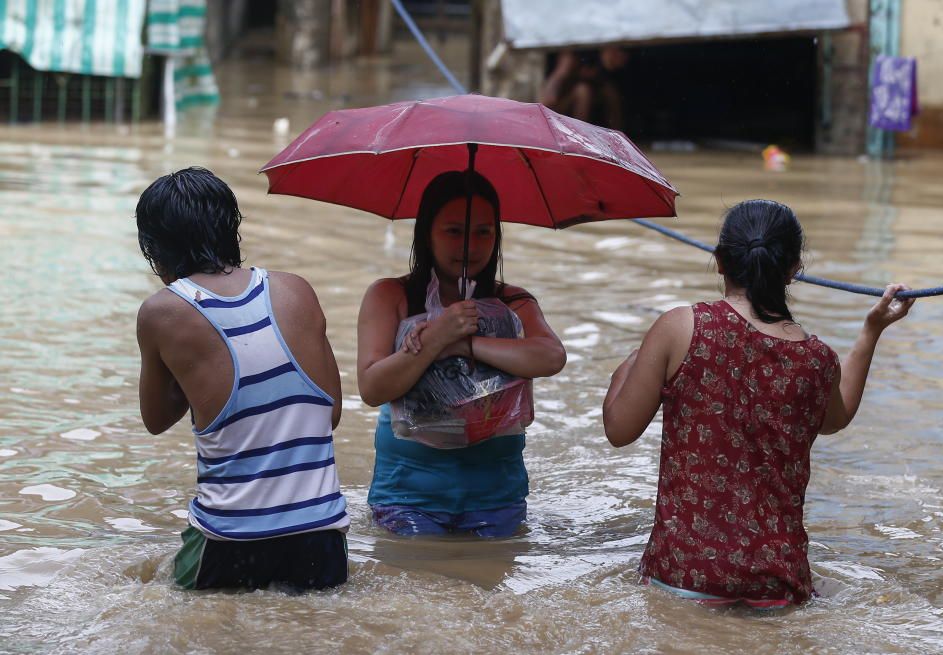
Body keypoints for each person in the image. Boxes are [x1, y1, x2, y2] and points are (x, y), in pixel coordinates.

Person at [602, 199, 914, 607]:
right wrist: (871, 331)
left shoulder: (680, 327)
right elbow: (836, 418)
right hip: (779, 583)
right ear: (795, 270)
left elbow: (618, 430)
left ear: (718, 261)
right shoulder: (817, 358)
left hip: (683, 575)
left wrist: (636, 359)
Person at [135, 167, 350, 591]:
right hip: (322, 535)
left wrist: (192, 374)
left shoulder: (162, 312)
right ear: (231, 230)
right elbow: (332, 414)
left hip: (229, 540)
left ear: (155, 249)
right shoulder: (296, 291)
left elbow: (155, 419)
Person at [356, 170, 567, 537]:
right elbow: (373, 388)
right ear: (426, 233)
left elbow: (550, 357)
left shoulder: (513, 302)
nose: (469, 245)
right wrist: (436, 338)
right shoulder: (390, 296)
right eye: (454, 231)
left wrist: (466, 344)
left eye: (483, 232)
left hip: (496, 492)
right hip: (408, 494)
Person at [540, 47, 628, 130]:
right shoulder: (571, 58)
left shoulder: (602, 71)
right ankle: (579, 134)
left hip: (586, 112)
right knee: (583, 91)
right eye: (617, 54)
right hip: (557, 112)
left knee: (609, 91)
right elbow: (548, 99)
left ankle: (616, 134)